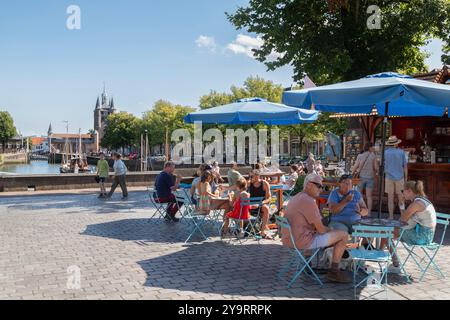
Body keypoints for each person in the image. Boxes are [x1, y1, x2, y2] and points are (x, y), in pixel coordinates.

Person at [282, 174, 352, 283]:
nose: (321, 189)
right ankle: (334, 271)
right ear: (309, 185)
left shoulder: (297, 196)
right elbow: (321, 230)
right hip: (301, 241)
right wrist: (331, 230)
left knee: (314, 231)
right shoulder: (309, 201)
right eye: (319, 186)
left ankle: (307, 264)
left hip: (289, 239)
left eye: (322, 187)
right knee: (343, 235)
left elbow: (312, 224)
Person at [383, 180, 437, 270]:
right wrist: (402, 206)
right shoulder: (422, 200)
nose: (402, 194)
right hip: (426, 234)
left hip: (421, 237)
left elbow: (402, 221)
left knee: (385, 233)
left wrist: (401, 206)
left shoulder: (416, 204)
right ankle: (385, 255)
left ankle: (394, 263)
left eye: (402, 191)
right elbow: (405, 220)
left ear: (409, 191)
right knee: (388, 232)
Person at [384, 136, 408, 219]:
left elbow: (382, 165)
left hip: (389, 177)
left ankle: (391, 217)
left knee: (390, 199)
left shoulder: (385, 152)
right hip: (400, 178)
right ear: (396, 144)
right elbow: (405, 166)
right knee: (401, 199)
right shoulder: (401, 152)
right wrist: (406, 178)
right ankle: (402, 216)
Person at [352, 144, 378, 215]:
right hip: (370, 177)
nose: (373, 148)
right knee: (369, 196)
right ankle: (368, 212)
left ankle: (359, 211)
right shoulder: (373, 156)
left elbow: (355, 166)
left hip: (361, 178)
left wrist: (352, 174)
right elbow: (376, 168)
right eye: (372, 147)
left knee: (358, 195)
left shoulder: (360, 156)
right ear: (369, 148)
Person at [248, 170, 273, 239]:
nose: (251, 178)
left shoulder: (264, 183)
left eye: (252, 176)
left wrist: (260, 204)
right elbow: (238, 187)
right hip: (249, 205)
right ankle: (242, 229)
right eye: (250, 176)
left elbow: (269, 198)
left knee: (266, 209)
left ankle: (263, 231)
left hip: (260, 204)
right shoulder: (249, 184)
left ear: (257, 176)